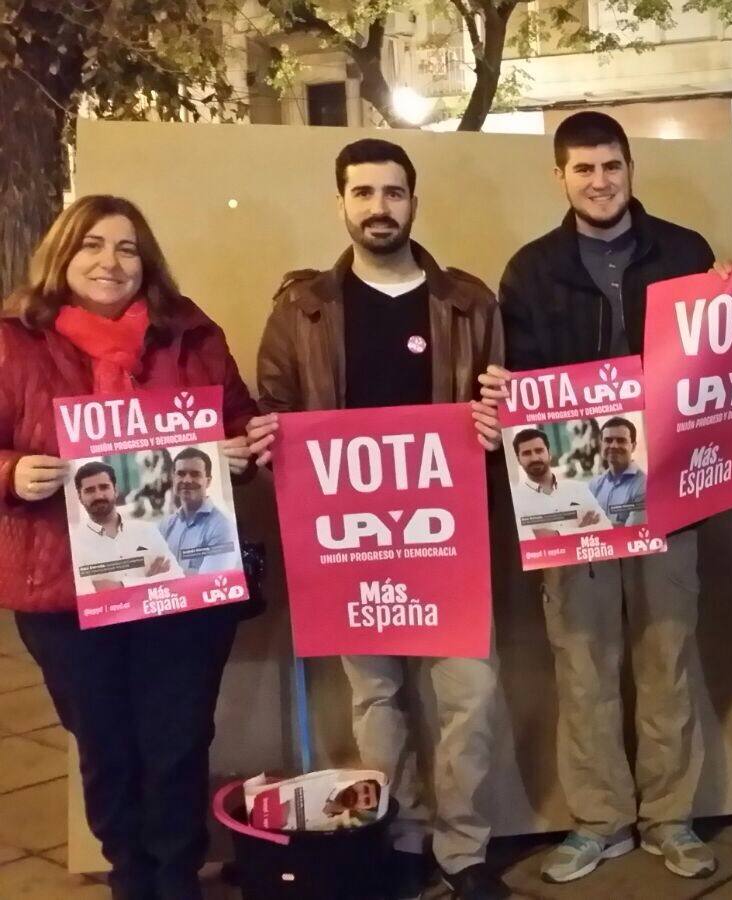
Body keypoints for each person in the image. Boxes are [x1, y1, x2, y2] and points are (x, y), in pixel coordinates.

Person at [251, 138, 509, 900]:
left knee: (469, 698)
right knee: (376, 700)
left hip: (447, 537)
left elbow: (505, 408)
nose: (378, 207)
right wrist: (269, 433)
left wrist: (498, 424)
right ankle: (399, 839)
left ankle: (463, 851)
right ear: (341, 203)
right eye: (362, 193)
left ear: (414, 200)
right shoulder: (302, 309)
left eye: (393, 192)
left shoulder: (470, 302)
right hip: (349, 547)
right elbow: (272, 407)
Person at [482, 111, 718, 883]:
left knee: (667, 652)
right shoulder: (529, 269)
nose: (599, 181)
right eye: (582, 169)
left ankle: (670, 817)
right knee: (582, 660)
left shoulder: (686, 253)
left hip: (670, 484)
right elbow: (517, 378)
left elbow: (714, 362)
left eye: (611, 165)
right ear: (560, 177)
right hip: (573, 499)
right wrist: (504, 392)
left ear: (629, 167)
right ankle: (599, 819)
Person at [0, 195, 258, 900]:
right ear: (62, 255)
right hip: (65, 591)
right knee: (107, 751)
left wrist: (246, 445)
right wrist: (12, 472)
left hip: (184, 583)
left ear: (146, 262)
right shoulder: (12, 340)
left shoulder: (191, 334)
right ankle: (131, 880)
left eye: (126, 248)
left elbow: (239, 416)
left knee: (178, 744)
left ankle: (177, 880)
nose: (109, 262)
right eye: (91, 245)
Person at [68, 460, 182, 592]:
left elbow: (177, 576)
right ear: (80, 497)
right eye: (89, 490)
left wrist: (121, 586)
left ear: (115, 490)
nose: (98, 495)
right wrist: (151, 582)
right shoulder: (73, 544)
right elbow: (84, 594)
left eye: (104, 487)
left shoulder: (147, 530)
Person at [510, 427, 608, 538]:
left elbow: (606, 527)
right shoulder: (514, 500)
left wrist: (556, 534)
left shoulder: (578, 488)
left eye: (539, 450)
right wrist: (582, 531)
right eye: (527, 453)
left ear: (549, 453)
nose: (534, 458)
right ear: (518, 459)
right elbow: (526, 541)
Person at [160, 447, 242, 575]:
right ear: (173, 478)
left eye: (195, 474)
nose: (187, 480)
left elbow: (212, 581)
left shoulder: (223, 528)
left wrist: (165, 575)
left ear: (208, 481)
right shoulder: (165, 526)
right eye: (181, 474)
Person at [589, 417, 646, 526]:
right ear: (601, 445)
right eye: (608, 440)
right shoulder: (594, 485)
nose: (614, 446)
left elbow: (633, 532)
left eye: (621, 440)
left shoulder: (643, 485)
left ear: (633, 446)